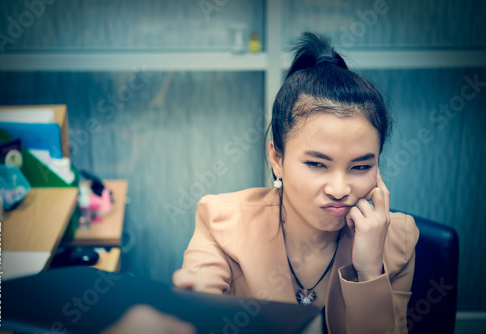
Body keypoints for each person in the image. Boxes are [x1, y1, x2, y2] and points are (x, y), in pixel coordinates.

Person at [172, 32, 419, 334]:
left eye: (360, 166)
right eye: (317, 164)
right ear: (277, 157)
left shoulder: (398, 240)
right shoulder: (222, 220)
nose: (340, 190)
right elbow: (198, 304)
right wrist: (191, 311)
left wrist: (369, 273)